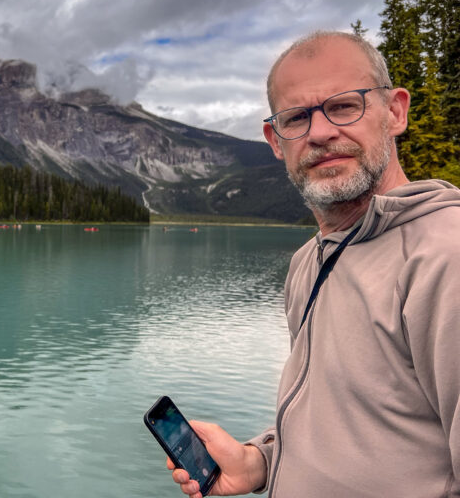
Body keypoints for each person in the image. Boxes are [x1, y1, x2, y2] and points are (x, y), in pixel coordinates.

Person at [167, 31, 460, 497]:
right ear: (275, 140)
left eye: (344, 106)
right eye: (297, 117)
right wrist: (258, 460)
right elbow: (344, 420)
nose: (321, 132)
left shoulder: (446, 255)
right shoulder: (310, 261)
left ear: (395, 111)